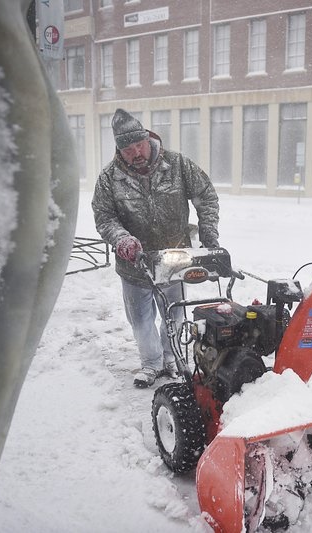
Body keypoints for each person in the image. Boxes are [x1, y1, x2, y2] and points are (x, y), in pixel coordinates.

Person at [92, 109, 220, 388]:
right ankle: (150, 363)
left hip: (174, 259)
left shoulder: (177, 164)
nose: (136, 152)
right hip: (135, 265)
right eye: (127, 149)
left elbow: (206, 196)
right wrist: (122, 238)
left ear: (148, 139)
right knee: (141, 320)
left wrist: (208, 233)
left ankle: (171, 359)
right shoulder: (109, 179)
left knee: (174, 312)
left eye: (139, 145)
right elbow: (104, 217)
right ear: (119, 149)